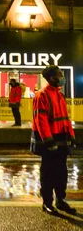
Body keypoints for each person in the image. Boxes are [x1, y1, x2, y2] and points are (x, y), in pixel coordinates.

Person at [31, 65, 77, 215]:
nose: (62, 77)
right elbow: (41, 120)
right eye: (60, 74)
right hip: (50, 140)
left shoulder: (59, 95)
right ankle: (47, 203)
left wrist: (71, 135)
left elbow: (65, 118)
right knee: (49, 172)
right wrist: (49, 141)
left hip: (61, 137)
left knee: (61, 172)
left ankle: (61, 200)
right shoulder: (42, 95)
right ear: (52, 78)